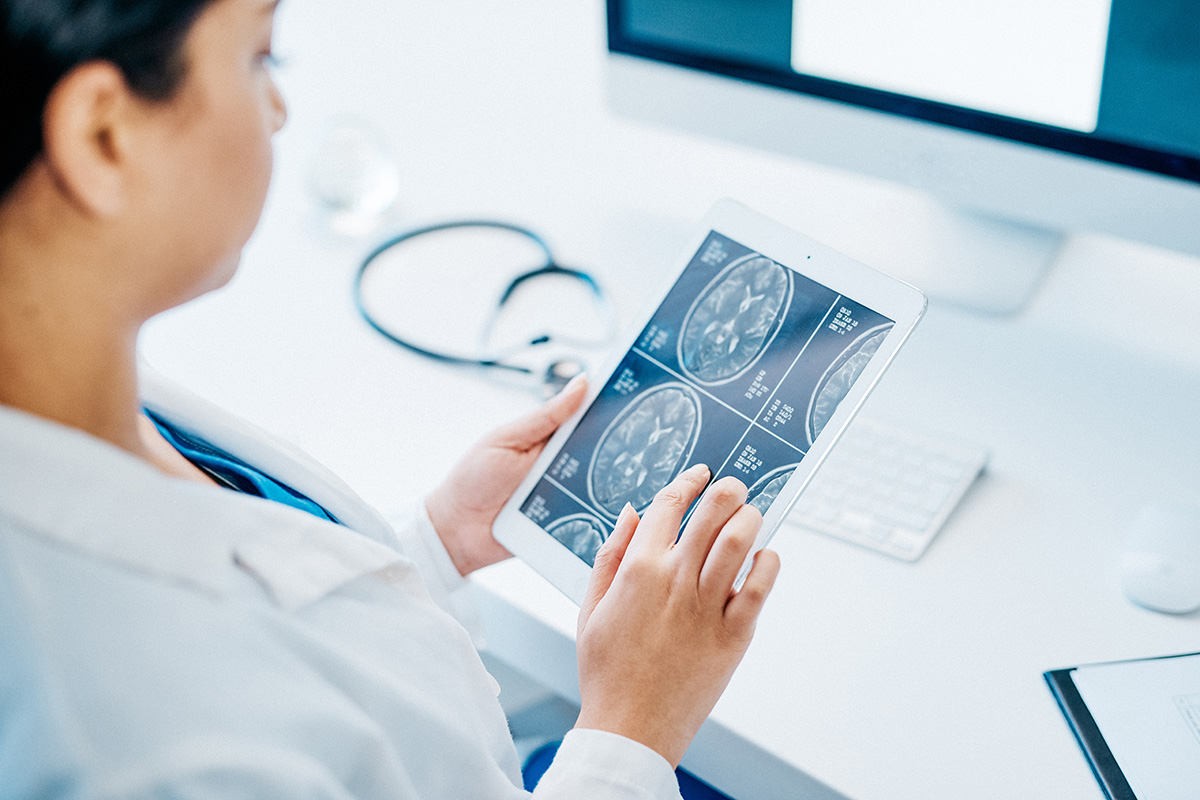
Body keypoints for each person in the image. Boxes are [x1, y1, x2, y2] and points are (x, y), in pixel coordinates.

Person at [0, 0, 781, 797]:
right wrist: (632, 730)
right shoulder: (142, 750)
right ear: (103, 137)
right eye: (261, 58)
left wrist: (438, 542)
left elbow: (294, 628)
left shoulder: (71, 386)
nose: (278, 110)